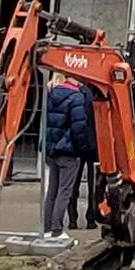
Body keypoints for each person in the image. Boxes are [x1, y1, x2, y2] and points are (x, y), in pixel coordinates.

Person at [40, 68, 96, 239]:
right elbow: (79, 127)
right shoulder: (77, 97)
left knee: (52, 190)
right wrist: (84, 148)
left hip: (51, 149)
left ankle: (47, 228)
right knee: (65, 191)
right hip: (68, 151)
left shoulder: (52, 93)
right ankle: (57, 229)